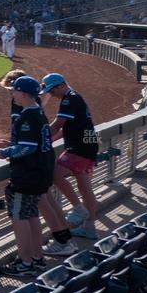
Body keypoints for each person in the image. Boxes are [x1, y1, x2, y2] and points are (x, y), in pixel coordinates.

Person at [0, 76, 56, 278]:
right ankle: (37, 258)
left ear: (22, 93)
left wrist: (6, 153)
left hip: (27, 176)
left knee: (19, 217)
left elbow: (28, 148)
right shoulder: (38, 113)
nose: (12, 93)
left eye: (14, 90)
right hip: (40, 173)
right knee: (31, 215)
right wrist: (10, 145)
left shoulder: (27, 117)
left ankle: (26, 263)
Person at [41, 73, 100, 239]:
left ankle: (78, 209)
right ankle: (89, 227)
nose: (51, 95)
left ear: (61, 85)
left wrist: (39, 137)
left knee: (55, 174)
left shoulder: (69, 99)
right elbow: (66, 129)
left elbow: (58, 124)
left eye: (52, 91)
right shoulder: (74, 97)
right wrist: (48, 140)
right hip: (87, 144)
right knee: (85, 188)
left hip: (80, 146)